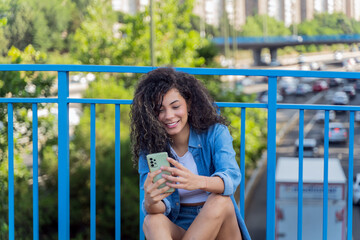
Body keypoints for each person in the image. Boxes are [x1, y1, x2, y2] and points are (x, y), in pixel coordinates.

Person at [130, 67, 251, 240]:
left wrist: (197, 182)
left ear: (189, 104)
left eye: (175, 106)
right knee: (152, 221)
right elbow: (159, 208)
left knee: (219, 201)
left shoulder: (215, 133)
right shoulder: (149, 145)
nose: (169, 116)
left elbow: (231, 178)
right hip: (179, 225)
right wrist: (150, 201)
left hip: (220, 224)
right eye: (159, 109)